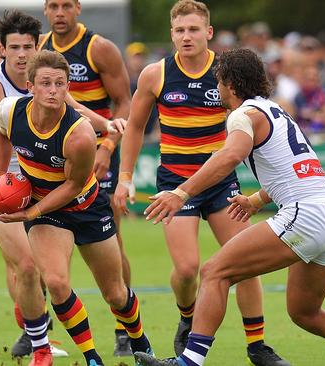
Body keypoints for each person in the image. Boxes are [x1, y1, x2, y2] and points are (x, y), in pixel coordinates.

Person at [135, 47, 325, 366]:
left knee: (214, 272)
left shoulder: (242, 115)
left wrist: (181, 193)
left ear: (231, 84)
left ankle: (188, 362)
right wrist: (255, 199)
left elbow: (229, 156)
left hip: (306, 215)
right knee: (305, 313)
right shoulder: (274, 110)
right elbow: (295, 167)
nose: (216, 89)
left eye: (219, 82)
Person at [113, 2, 288, 365]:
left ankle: (257, 346)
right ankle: (187, 316)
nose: (186, 36)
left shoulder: (228, 74)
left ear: (208, 32)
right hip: (175, 184)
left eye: (193, 29)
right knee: (188, 269)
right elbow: (134, 127)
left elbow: (260, 120)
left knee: (245, 263)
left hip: (222, 183)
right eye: (179, 30)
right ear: (172, 33)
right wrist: (125, 178)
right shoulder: (155, 74)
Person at [0, 49, 152, 366]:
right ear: (30, 86)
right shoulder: (9, 111)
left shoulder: (80, 134)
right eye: (45, 83)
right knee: (58, 283)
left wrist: (29, 213)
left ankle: (140, 340)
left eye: (59, 84)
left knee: (115, 293)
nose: (52, 91)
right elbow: (1, 135)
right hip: (47, 211)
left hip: (86, 207)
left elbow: (73, 185)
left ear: (67, 88)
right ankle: (92, 358)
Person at [39, 0, 135, 356]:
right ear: (45, 9)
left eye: (66, 5)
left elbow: (123, 102)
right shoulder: (39, 48)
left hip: (98, 156)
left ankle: (123, 326)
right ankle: (40, 327)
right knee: (44, 241)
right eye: (53, 5)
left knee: (112, 239)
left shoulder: (99, 48)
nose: (59, 12)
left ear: (78, 8)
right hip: (53, 158)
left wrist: (107, 147)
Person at [0, 10, 68, 363]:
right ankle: (39, 345)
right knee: (26, 265)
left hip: (41, 179)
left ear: (38, 45)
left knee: (44, 269)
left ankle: (31, 329)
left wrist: (105, 126)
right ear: (1, 49)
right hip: (0, 183)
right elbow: (4, 131)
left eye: (28, 46)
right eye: (14, 47)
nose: (22, 54)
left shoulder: (46, 80)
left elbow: (72, 110)